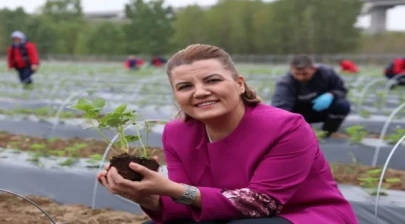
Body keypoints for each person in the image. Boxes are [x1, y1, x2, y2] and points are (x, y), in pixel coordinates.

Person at [96, 44, 358, 224]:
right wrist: (149, 197)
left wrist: (174, 190)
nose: (199, 92)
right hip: (228, 216)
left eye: (212, 80)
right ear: (176, 95)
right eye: (185, 86)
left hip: (303, 216)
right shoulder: (177, 133)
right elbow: (188, 203)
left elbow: (262, 203)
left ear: (239, 83)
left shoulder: (286, 127)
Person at [271, 55, 351, 137]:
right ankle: (301, 132)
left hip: (321, 109)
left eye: (305, 74)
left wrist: (331, 94)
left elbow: (342, 90)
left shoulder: (327, 73)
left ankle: (328, 132)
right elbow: (281, 109)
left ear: (314, 69)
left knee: (342, 105)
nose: (301, 77)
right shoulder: (285, 83)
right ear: (291, 70)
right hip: (299, 113)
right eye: (297, 74)